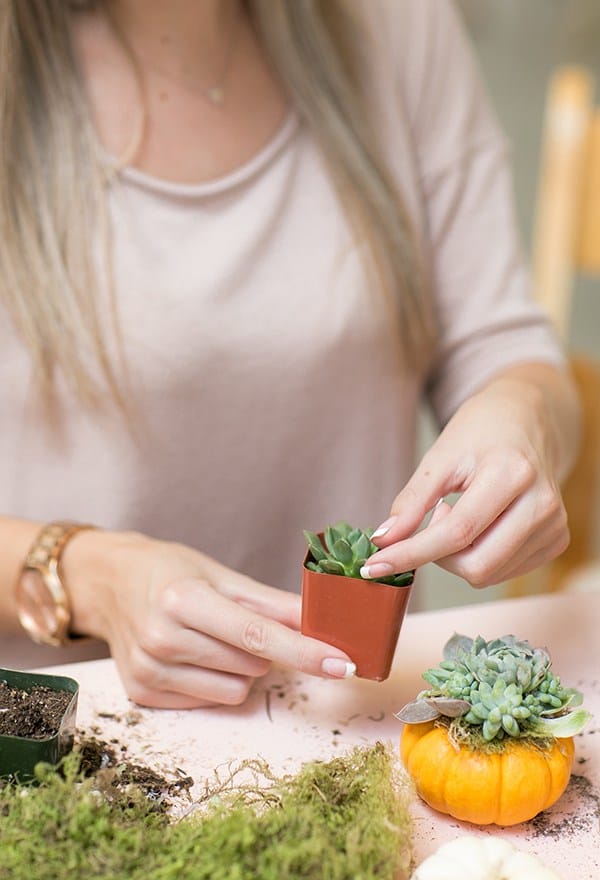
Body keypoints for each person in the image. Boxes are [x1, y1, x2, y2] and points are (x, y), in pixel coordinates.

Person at [0, 0, 580, 708]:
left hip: (359, 722)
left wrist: (523, 415)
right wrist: (84, 574)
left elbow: (505, 346)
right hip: (62, 743)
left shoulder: (399, 23)